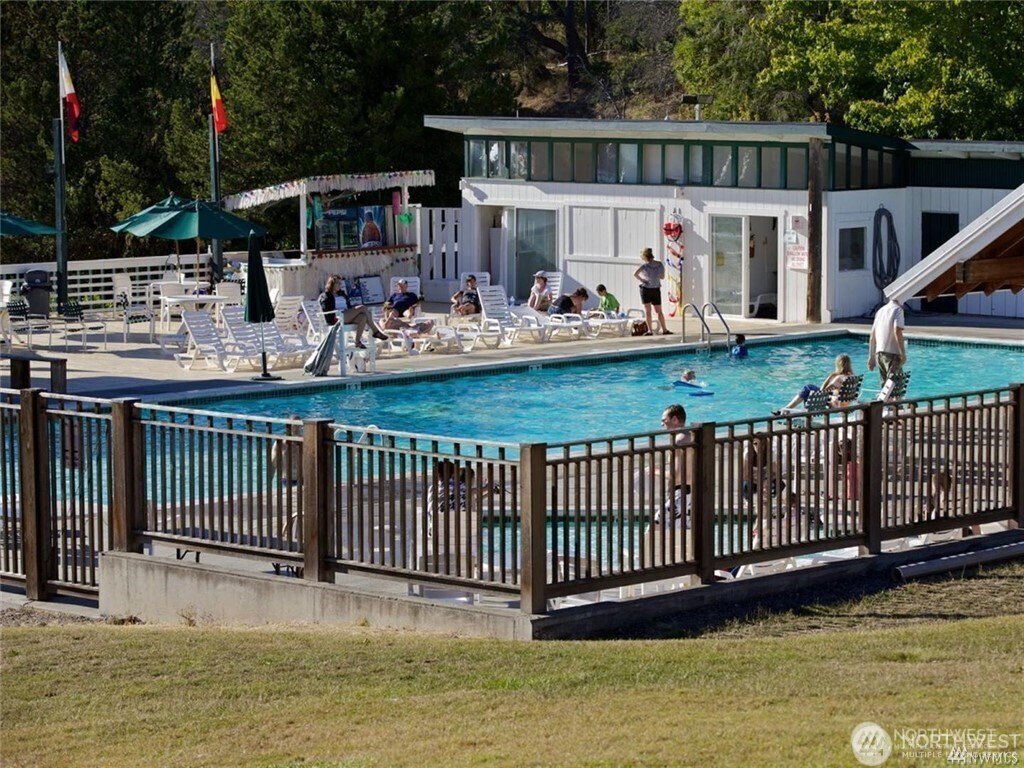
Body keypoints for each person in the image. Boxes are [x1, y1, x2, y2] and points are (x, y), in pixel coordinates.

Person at [319, 274, 388, 348]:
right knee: (362, 307)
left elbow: (348, 306)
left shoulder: (341, 293)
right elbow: (326, 310)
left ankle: (357, 341)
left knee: (363, 317)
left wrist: (354, 308)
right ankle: (375, 331)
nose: (340, 285)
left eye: (340, 283)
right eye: (338, 283)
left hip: (346, 315)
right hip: (337, 317)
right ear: (332, 284)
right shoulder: (325, 295)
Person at [774, 353, 855, 414]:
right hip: (844, 404)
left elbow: (822, 390)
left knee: (808, 388)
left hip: (834, 405)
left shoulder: (839, 378)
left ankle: (788, 409)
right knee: (808, 390)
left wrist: (830, 376)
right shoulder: (852, 376)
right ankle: (787, 409)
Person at [867, 296, 906, 386]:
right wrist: (902, 353)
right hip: (893, 354)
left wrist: (871, 357)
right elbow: (897, 330)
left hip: (880, 354)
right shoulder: (898, 310)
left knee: (885, 389)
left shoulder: (880, 311)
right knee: (896, 389)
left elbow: (872, 337)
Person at [633, 247, 671, 335]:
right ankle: (664, 330)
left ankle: (650, 330)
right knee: (659, 311)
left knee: (648, 311)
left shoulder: (645, 266)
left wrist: (643, 280)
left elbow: (635, 274)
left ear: (645, 257)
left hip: (646, 289)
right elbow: (662, 277)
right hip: (656, 289)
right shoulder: (659, 264)